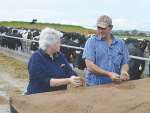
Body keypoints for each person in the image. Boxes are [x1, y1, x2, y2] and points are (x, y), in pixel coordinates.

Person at [26, 27, 83, 94]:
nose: (60, 45)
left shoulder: (60, 56)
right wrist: (69, 80)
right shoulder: (36, 58)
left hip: (58, 96)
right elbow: (45, 81)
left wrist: (73, 77)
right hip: (39, 97)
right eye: (58, 43)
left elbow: (68, 70)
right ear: (49, 45)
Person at [82, 15, 130, 86]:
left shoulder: (120, 43)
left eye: (103, 28)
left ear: (111, 27)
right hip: (94, 85)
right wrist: (109, 74)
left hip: (115, 84)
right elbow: (89, 65)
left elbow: (124, 63)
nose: (100, 31)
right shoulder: (91, 42)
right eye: (98, 28)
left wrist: (123, 72)